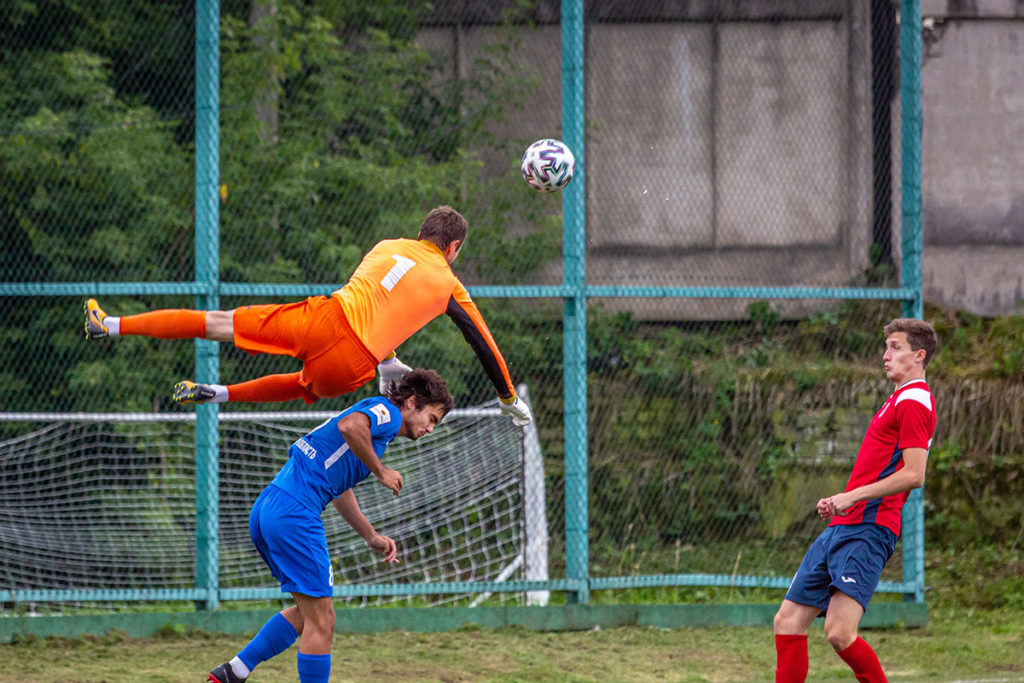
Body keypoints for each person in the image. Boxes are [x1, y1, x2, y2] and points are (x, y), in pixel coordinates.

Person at [83, 205, 531, 425]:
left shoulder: (387, 246)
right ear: (453, 249)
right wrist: (508, 398)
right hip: (351, 364)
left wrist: (389, 359)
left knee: (216, 322)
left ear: (420, 234)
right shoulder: (450, 284)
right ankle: (218, 395)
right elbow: (482, 343)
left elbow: (376, 299)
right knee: (301, 386)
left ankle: (111, 325)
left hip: (325, 319)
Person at [207, 368, 454, 683]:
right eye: (432, 419)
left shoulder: (377, 423)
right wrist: (380, 471)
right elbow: (349, 426)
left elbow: (338, 486)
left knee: (310, 613)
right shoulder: (388, 414)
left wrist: (370, 535)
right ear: (412, 403)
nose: (430, 429)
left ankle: (232, 673)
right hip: (295, 514)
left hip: (270, 508)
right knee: (322, 620)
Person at [773, 317, 938, 683]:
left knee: (839, 632)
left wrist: (854, 496)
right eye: (886, 347)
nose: (885, 356)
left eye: (895, 348)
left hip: (869, 529)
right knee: (787, 622)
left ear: (919, 355)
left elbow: (914, 474)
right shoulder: (896, 399)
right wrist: (840, 502)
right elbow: (878, 467)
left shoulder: (915, 402)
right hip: (843, 525)